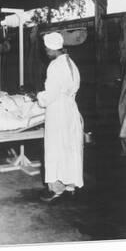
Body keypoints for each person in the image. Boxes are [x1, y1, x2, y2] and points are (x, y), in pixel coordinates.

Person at [37, 32, 84, 202]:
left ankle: (55, 189)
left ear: (50, 48)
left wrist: (39, 97)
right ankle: (71, 185)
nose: (45, 52)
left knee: (55, 148)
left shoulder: (54, 66)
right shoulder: (71, 63)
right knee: (69, 148)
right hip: (70, 110)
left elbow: (50, 95)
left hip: (57, 111)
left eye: (46, 49)